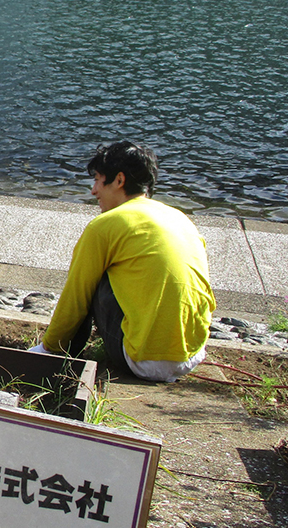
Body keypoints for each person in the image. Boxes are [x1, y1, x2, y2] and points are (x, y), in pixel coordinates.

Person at [30, 141, 216, 383]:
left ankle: (59, 356)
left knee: (93, 279)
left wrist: (48, 346)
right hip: (192, 354)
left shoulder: (105, 225)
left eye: (97, 179)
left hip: (143, 360)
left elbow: (76, 296)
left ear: (119, 180)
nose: (93, 190)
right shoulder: (179, 217)